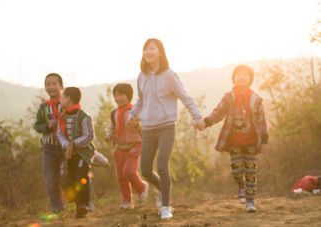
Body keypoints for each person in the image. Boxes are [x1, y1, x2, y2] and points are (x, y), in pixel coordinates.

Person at [127, 38, 203, 219]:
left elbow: (185, 97)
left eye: (152, 49)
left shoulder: (169, 75)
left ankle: (166, 207)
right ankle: (163, 188)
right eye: (145, 49)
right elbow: (141, 100)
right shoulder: (142, 76)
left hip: (166, 126)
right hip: (147, 128)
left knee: (162, 165)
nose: (148, 52)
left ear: (160, 52)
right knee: (145, 169)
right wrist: (132, 114)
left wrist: (197, 116)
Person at [198, 64, 269, 213]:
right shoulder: (229, 98)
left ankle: (250, 202)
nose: (242, 77)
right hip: (235, 143)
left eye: (245, 74)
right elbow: (218, 113)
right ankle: (241, 186)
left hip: (251, 142)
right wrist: (206, 122)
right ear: (234, 78)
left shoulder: (255, 100)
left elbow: (262, 121)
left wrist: (264, 141)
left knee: (251, 173)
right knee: (236, 170)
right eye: (238, 74)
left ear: (250, 79)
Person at [105, 83, 149, 209]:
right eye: (116, 95)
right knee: (120, 176)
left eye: (121, 95)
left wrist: (136, 125)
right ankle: (127, 201)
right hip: (119, 147)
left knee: (129, 171)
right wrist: (108, 135)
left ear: (129, 96)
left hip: (134, 145)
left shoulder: (135, 111)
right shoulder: (115, 113)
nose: (118, 98)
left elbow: (144, 127)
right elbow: (112, 127)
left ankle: (141, 187)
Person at [56, 87, 95, 218]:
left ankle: (82, 205)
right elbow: (60, 134)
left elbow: (89, 135)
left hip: (82, 155)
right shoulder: (62, 118)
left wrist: (75, 144)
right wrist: (67, 145)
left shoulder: (84, 117)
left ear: (68, 99)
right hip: (68, 155)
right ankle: (73, 202)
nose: (59, 100)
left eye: (61, 97)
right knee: (67, 179)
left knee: (81, 178)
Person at [34, 73, 65, 218]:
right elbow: (37, 126)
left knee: (66, 177)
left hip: (65, 147)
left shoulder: (66, 104)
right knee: (50, 179)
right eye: (48, 84)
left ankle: (78, 203)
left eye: (54, 84)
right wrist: (47, 125)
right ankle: (57, 209)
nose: (51, 87)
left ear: (61, 86)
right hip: (49, 148)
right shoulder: (43, 107)